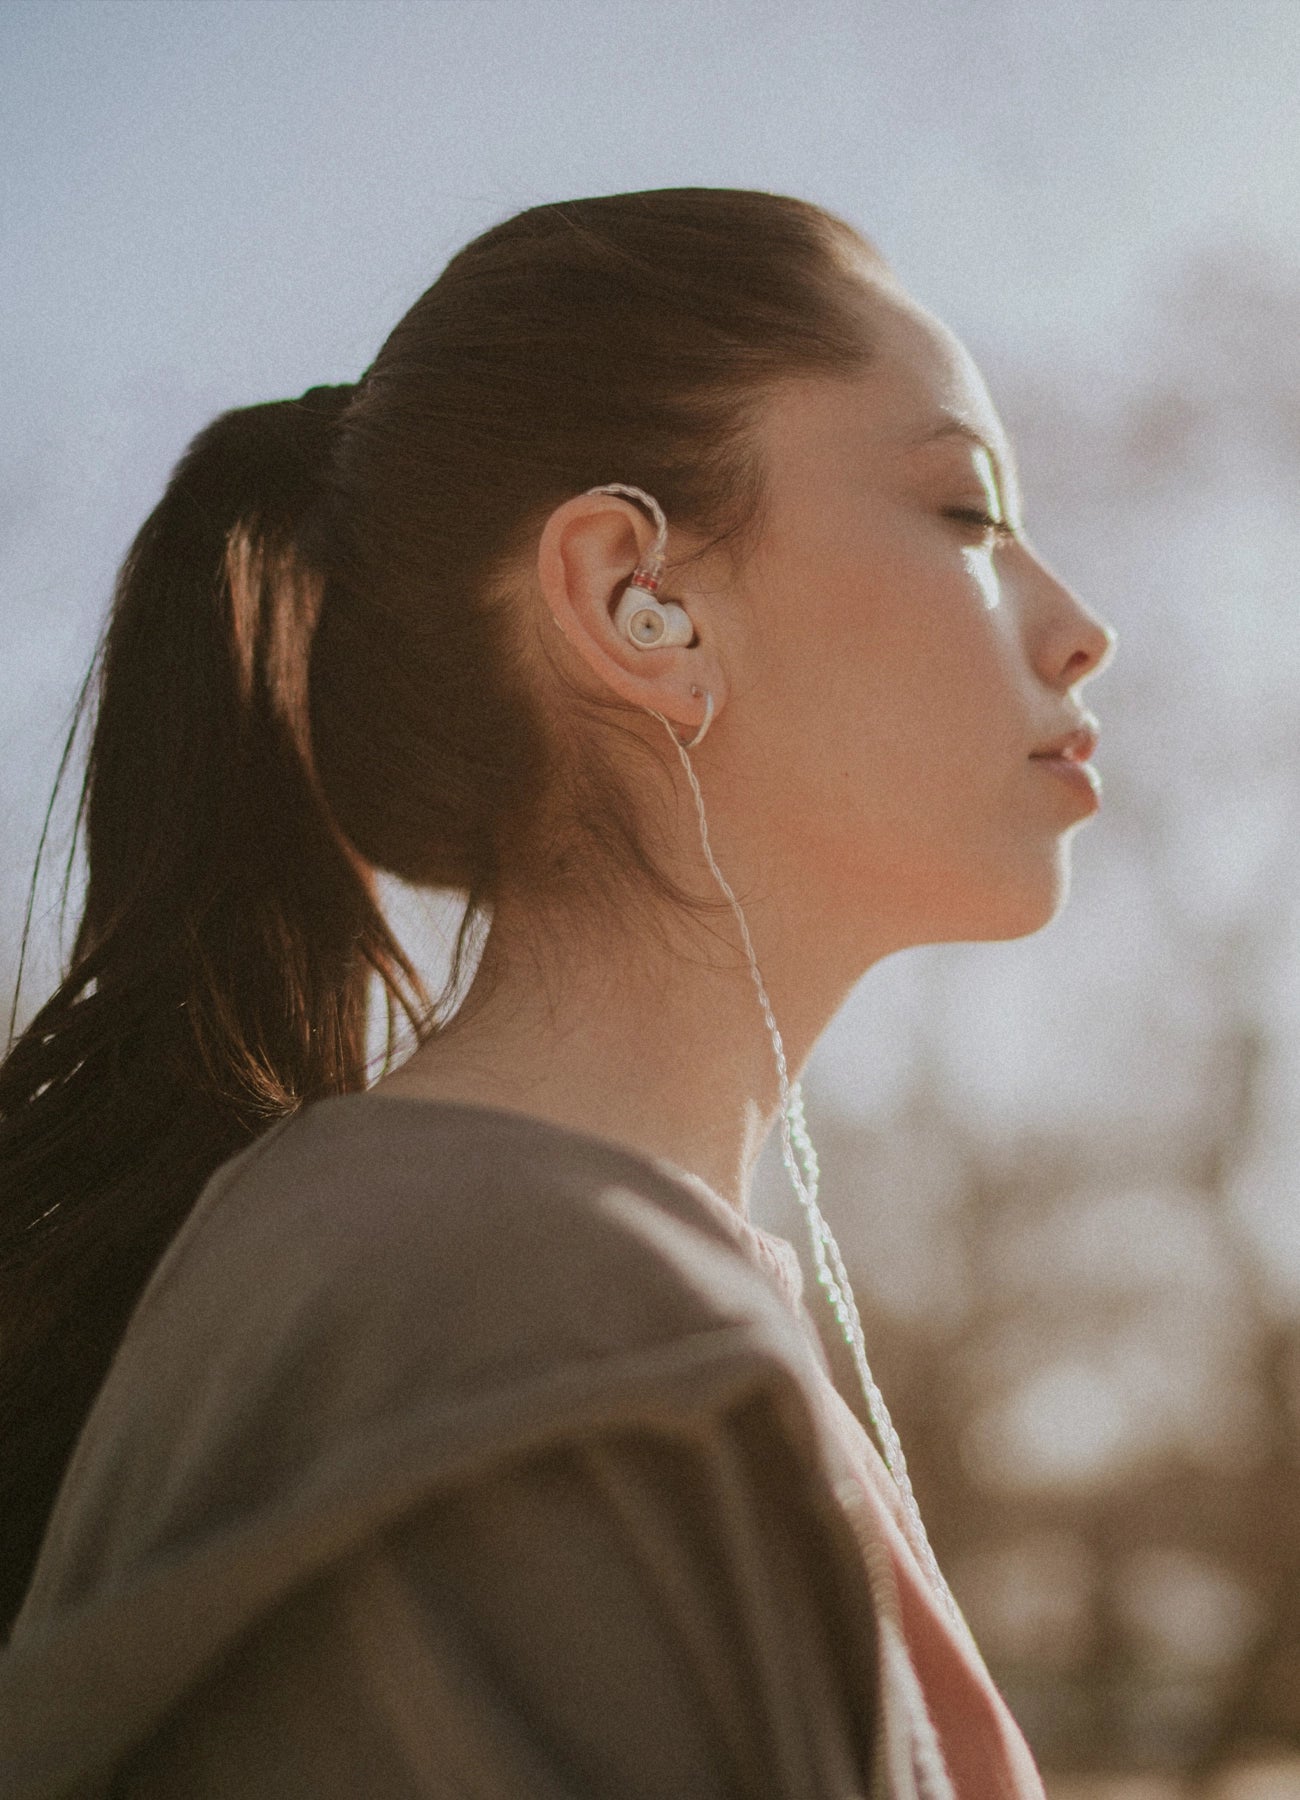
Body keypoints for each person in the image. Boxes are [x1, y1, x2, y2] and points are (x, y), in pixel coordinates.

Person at [0, 187, 1115, 1796]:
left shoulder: (523, 1275)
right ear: (628, 600)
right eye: (965, 511)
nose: (1082, 629)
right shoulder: (527, 1306)